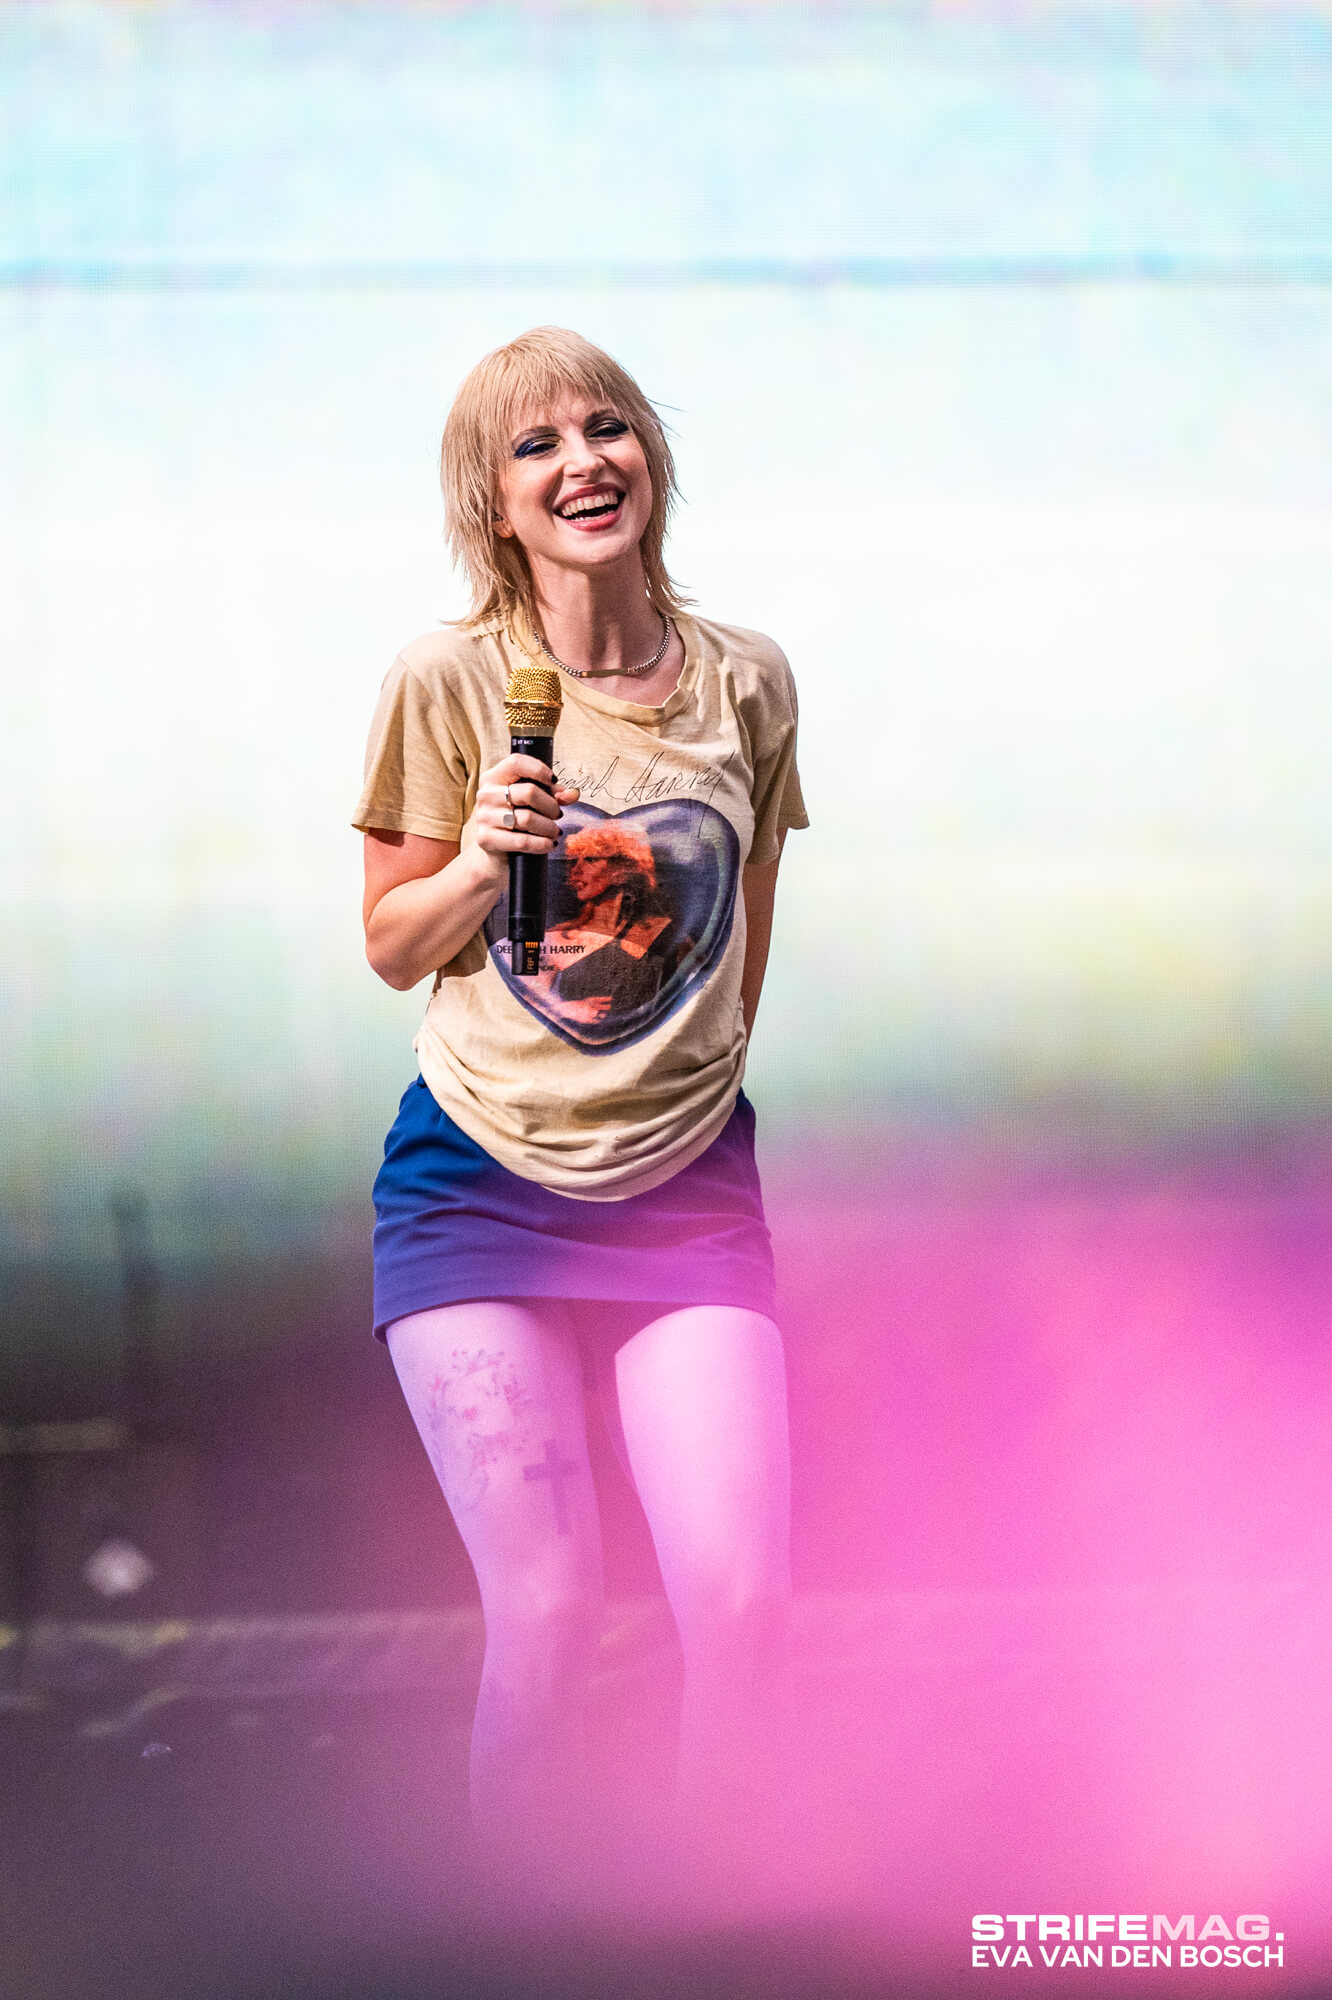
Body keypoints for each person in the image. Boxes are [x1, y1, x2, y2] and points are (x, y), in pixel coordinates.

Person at [354, 327, 808, 1882]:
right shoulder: (448, 682)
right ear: (494, 504)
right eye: (534, 445)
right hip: (476, 1181)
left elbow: (749, 922)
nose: (581, 463)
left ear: (650, 458)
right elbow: (390, 946)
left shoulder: (747, 678)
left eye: (606, 427)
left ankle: (717, 1934)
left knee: (739, 1601)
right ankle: (522, 1949)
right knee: (550, 1609)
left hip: (686, 1189)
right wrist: (483, 864)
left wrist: (690, 1086)